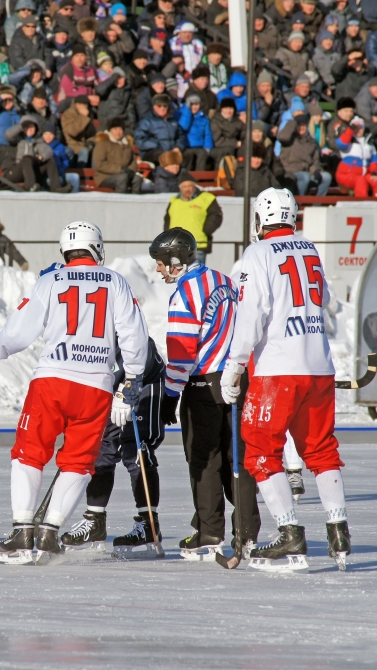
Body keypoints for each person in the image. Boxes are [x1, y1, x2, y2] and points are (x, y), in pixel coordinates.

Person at [0, 221, 149, 564]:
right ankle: (49, 532)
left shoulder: (51, 280)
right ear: (97, 248)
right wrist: (132, 380)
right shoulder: (117, 282)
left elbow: (20, 329)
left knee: (29, 454)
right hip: (96, 385)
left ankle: (22, 531)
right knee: (79, 463)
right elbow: (135, 335)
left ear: (64, 250)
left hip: (52, 382)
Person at [221, 188, 350, 571]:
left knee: (261, 451)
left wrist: (235, 365)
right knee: (321, 449)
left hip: (277, 369)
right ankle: (338, 528)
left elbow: (250, 317)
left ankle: (289, 533)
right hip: (318, 366)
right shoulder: (309, 248)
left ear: (260, 220)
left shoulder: (256, 254)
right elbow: (323, 297)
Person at [148, 227, 260, 559]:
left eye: (160, 263)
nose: (158, 269)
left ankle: (210, 532)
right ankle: (248, 532)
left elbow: (181, 353)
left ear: (176, 262)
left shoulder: (184, 294)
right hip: (237, 380)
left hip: (204, 385)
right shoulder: (224, 281)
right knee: (236, 458)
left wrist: (170, 395)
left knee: (204, 460)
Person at [61, 337, 167, 555]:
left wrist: (127, 391)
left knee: (136, 450)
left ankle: (149, 526)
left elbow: (142, 351)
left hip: (144, 381)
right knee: (100, 450)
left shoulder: (121, 312)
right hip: (108, 388)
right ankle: (95, 522)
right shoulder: (83, 329)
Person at [162, 172, 222, 265]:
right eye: (184, 186)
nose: (187, 189)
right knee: (177, 276)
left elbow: (216, 215)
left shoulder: (206, 198)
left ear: (194, 186)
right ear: (180, 188)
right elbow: (167, 220)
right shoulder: (174, 201)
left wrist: (206, 230)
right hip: (175, 246)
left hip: (197, 245)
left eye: (190, 186)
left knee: (196, 275)